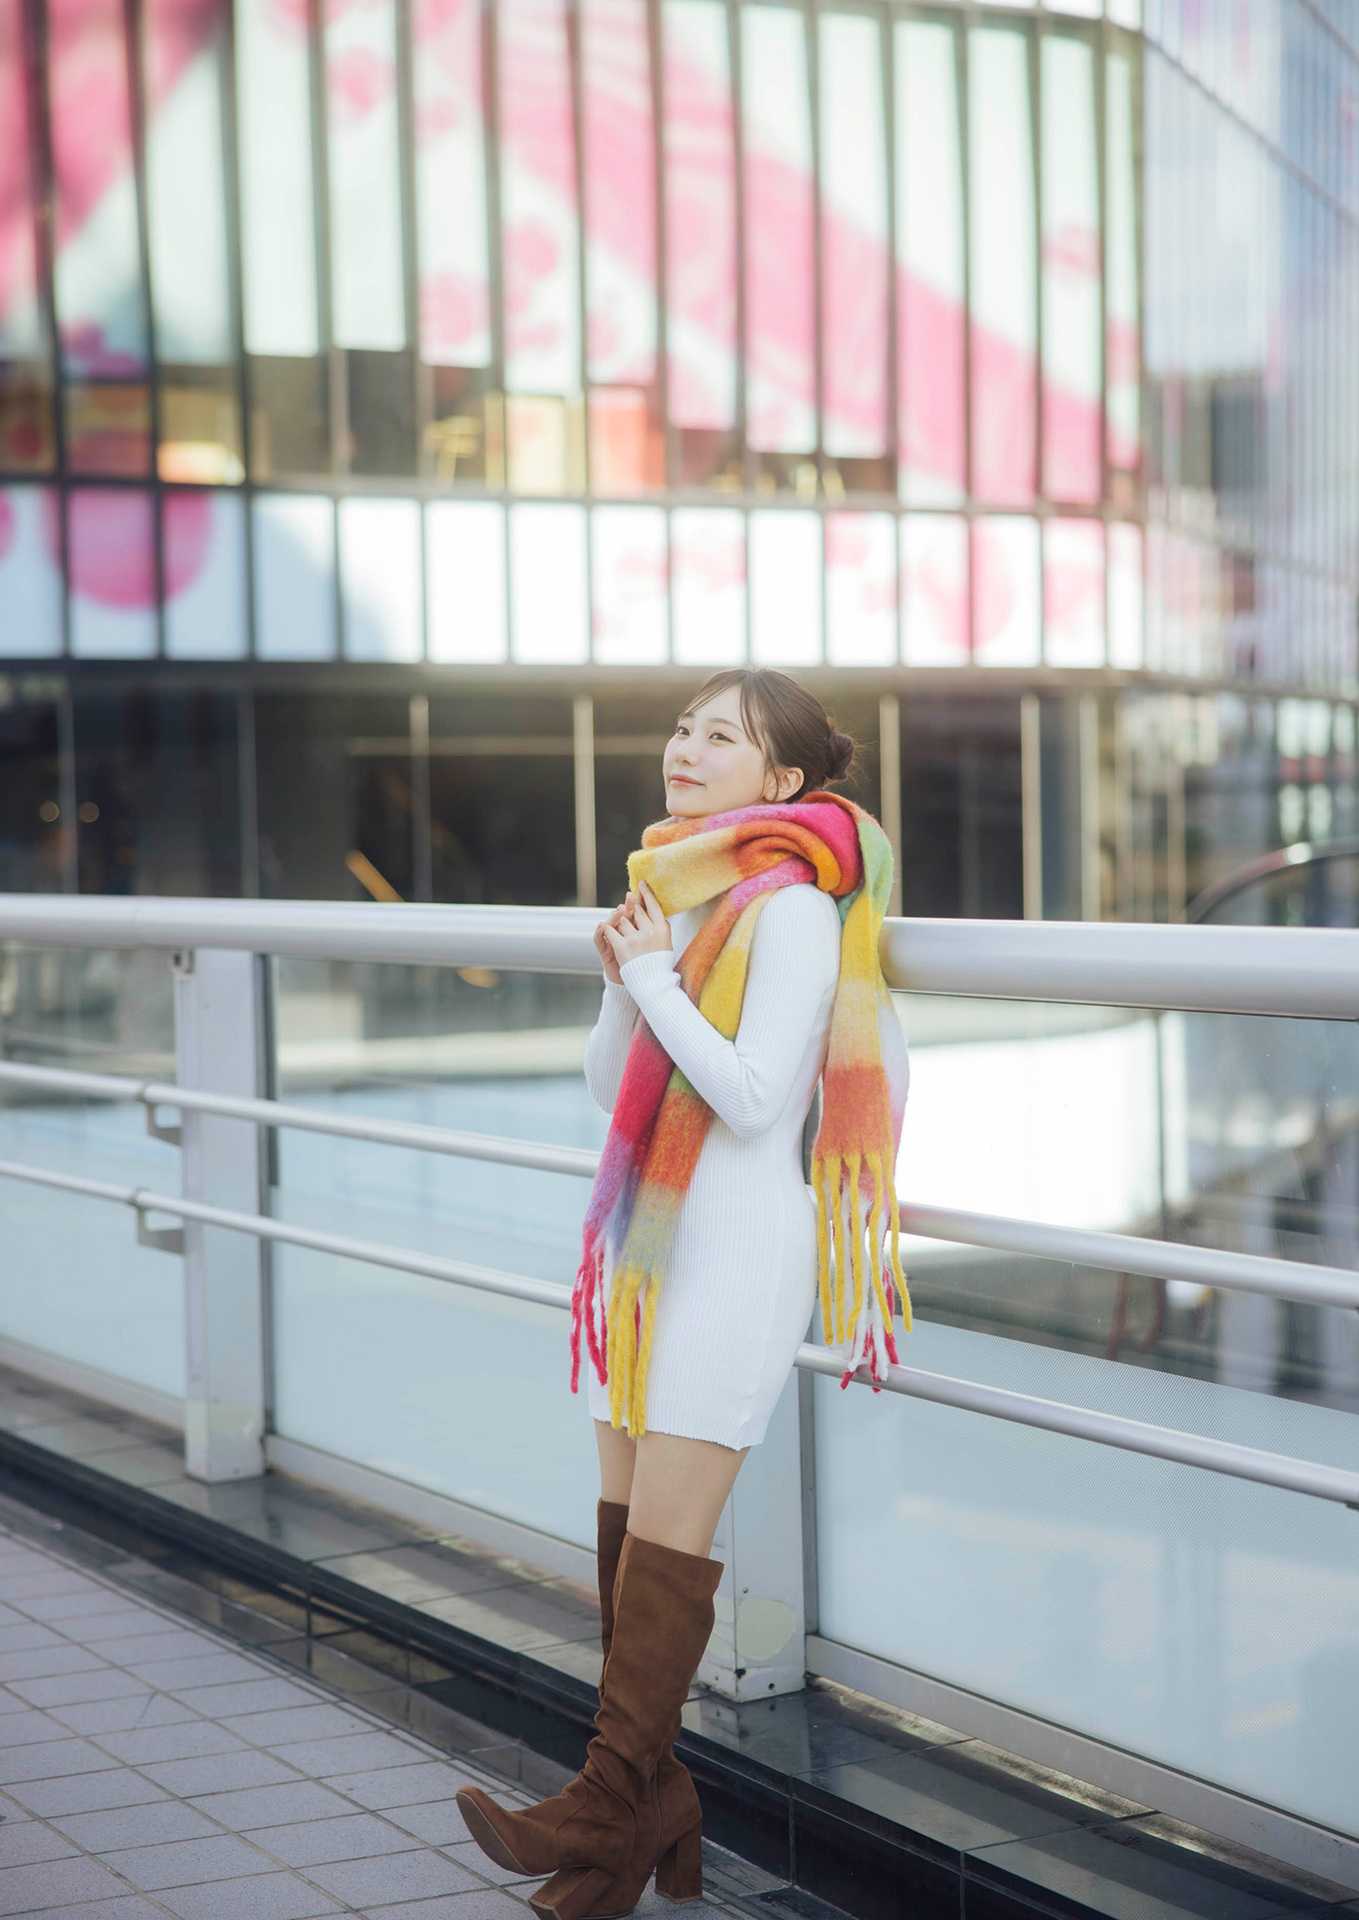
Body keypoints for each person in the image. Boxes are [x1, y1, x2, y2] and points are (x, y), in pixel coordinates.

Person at [457, 666, 911, 1920]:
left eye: (722, 735)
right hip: (646, 1252)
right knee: (624, 1533)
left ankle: (605, 1806)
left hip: (735, 1254)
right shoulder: (677, 894)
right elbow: (613, 1086)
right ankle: (634, 1820)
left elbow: (758, 1099)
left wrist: (656, 977)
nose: (687, 747)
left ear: (784, 779)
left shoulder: (795, 910)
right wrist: (628, 976)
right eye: (682, 726)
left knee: (668, 1539)